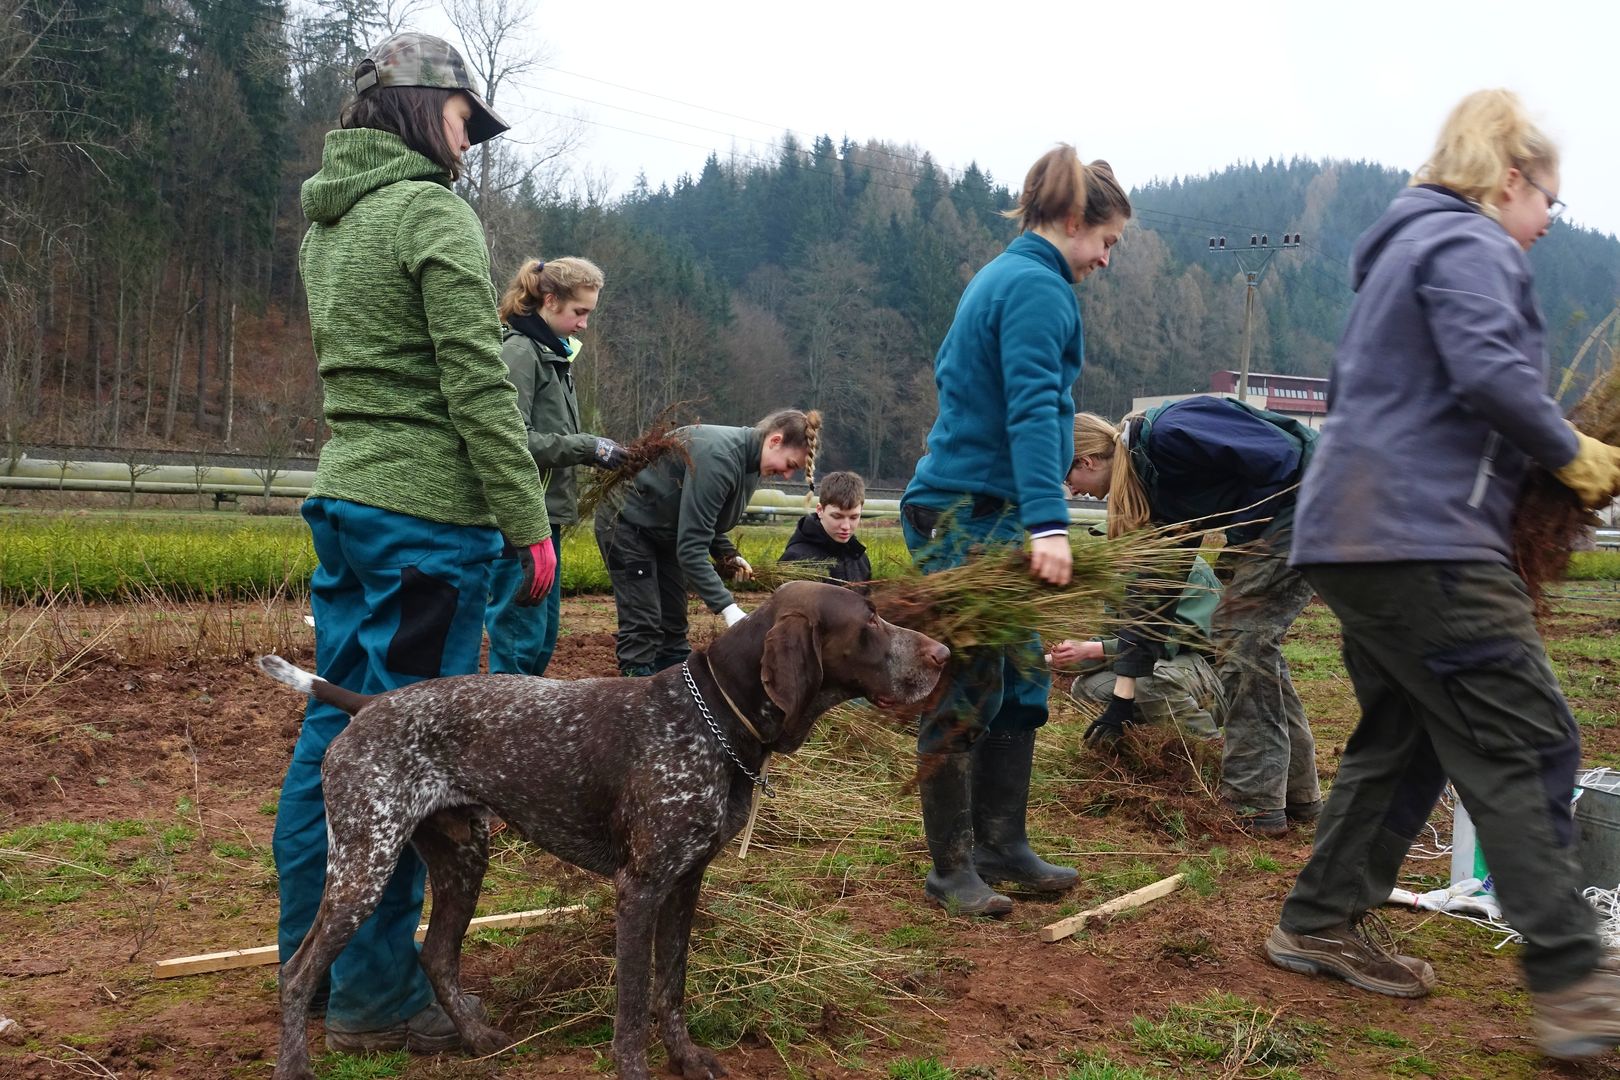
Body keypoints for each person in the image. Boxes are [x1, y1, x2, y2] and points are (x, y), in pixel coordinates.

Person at [1263, 89, 1620, 1055]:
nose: (1550, 221)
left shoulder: (1400, 254)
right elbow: (1491, 375)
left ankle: (1322, 916)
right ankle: (1574, 975)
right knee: (1528, 740)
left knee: (1409, 733)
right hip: (1423, 542)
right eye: (1549, 197)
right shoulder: (1469, 244)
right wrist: (1569, 450)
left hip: (1352, 537)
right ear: (1509, 179)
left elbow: (1369, 398)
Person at [271, 32, 557, 1056]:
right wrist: (526, 519)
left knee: (335, 740)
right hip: (427, 525)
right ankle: (377, 997)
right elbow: (476, 384)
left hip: (347, 501)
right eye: (461, 119)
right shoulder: (429, 214)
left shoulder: (326, 226)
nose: (469, 142)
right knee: (404, 761)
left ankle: (304, 975)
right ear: (412, 105)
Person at [899, 144, 1130, 916]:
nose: (1105, 259)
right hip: (971, 511)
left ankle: (1002, 844)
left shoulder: (1008, 277)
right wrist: (1049, 521)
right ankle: (950, 867)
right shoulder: (1036, 287)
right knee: (968, 681)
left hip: (984, 505)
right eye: (1108, 241)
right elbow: (1035, 409)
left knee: (1021, 677)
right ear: (1073, 220)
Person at [1068, 398, 1319, 836]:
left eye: (1067, 476)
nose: (1071, 490)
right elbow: (1153, 598)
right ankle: (1298, 795)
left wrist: (1243, 536)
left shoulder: (1171, 432)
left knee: (1238, 635)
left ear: (1087, 460)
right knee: (1252, 646)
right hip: (1280, 522)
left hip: (1313, 504)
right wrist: (1122, 700)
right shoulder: (1156, 491)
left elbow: (1279, 457)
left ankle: (1253, 804)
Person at [595, 410, 820, 676]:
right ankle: (637, 695)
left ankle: (676, 688)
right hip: (627, 523)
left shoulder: (750, 465)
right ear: (774, 441)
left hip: (665, 528)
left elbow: (703, 517)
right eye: (791, 465)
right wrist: (729, 610)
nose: (786, 476)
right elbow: (690, 550)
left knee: (673, 623)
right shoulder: (720, 458)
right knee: (644, 620)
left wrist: (726, 552)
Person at [484, 256, 626, 676]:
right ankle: (507, 729)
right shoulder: (519, 353)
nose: (584, 324)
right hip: (520, 516)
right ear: (549, 300)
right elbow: (509, 439)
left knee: (542, 633)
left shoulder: (554, 355)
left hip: (548, 516)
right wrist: (586, 447)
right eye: (579, 312)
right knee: (517, 634)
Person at [1051, 550, 1223, 740]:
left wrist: (1092, 650)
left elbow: (1172, 640)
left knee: (1145, 676)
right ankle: (1147, 745)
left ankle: (1209, 748)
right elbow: (1113, 635)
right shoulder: (1123, 574)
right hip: (1173, 672)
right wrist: (1062, 658)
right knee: (1087, 687)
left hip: (1217, 680)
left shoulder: (1187, 567)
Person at [779, 470, 872, 583]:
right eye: (837, 516)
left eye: (854, 517)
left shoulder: (860, 559)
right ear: (820, 510)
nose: (846, 526)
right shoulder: (796, 559)